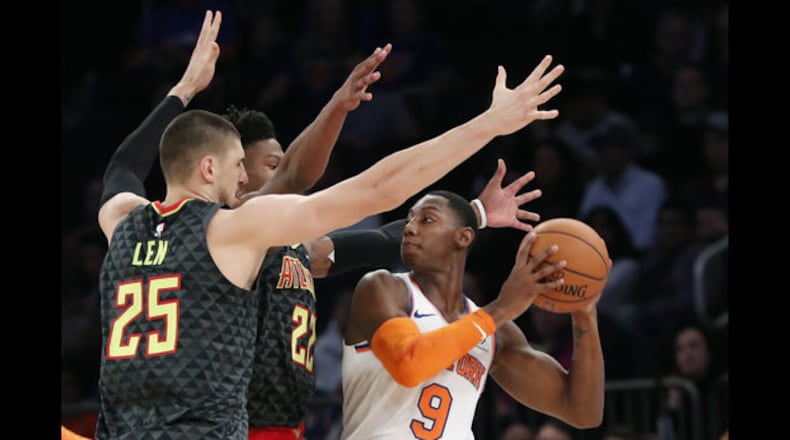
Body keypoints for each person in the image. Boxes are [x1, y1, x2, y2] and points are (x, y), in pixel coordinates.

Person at [95, 9, 566, 439]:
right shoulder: (233, 229)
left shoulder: (122, 221)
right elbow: (379, 188)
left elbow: (122, 167)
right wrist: (488, 125)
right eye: (238, 164)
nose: (244, 178)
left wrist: (184, 89)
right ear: (208, 169)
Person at [340, 190, 605, 439]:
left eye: (427, 219)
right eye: (410, 219)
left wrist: (584, 314)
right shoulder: (383, 288)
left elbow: (581, 412)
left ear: (464, 237)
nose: (409, 227)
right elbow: (410, 366)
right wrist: (501, 309)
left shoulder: (496, 332)